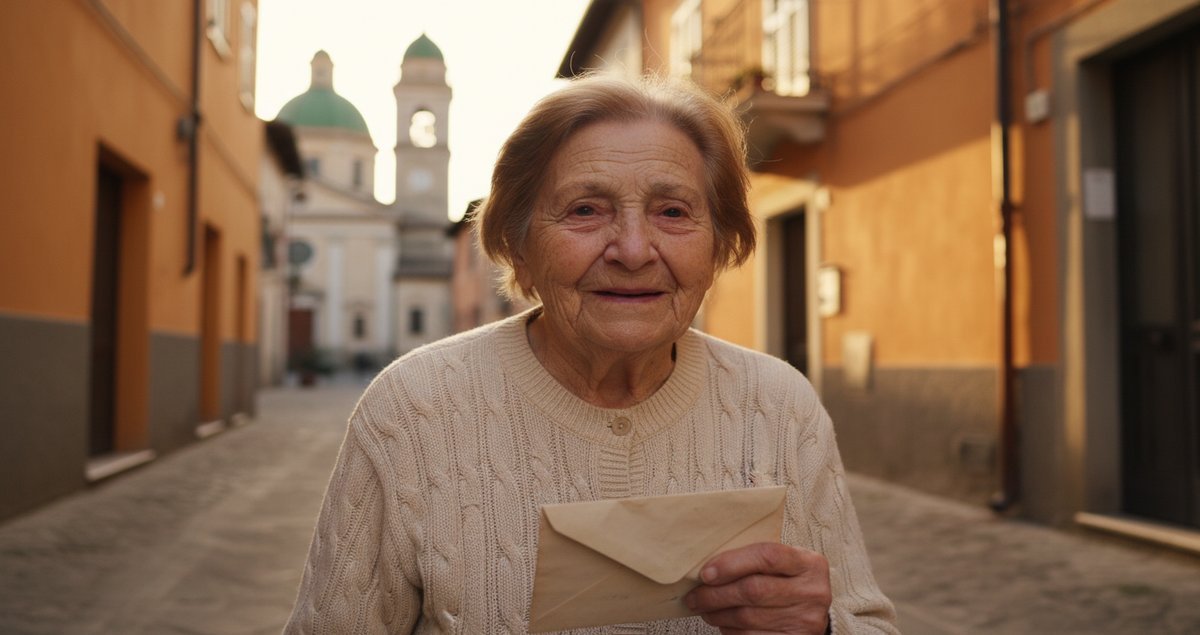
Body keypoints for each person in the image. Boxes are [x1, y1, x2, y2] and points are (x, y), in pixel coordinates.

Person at [285, 73, 898, 634]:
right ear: (518, 247)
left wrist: (821, 629)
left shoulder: (779, 406)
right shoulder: (414, 410)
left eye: (673, 211)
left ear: (718, 248)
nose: (633, 250)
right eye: (585, 210)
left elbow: (865, 620)